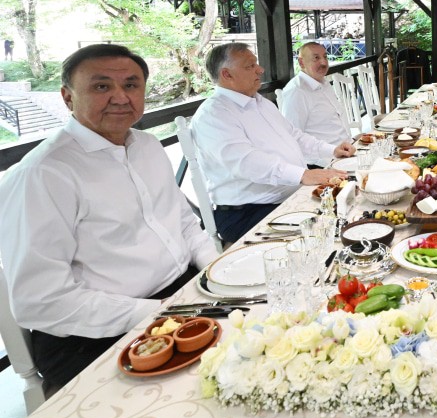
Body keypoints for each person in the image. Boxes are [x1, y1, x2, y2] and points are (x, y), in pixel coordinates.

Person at [0, 44, 218, 394]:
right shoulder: (43, 175)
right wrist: (159, 313)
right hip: (94, 333)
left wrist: (215, 273)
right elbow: (40, 301)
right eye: (101, 86)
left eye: (131, 85)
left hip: (181, 294)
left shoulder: (146, 146)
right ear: (67, 97)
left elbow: (184, 223)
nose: (120, 97)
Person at [191, 43, 353, 243]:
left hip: (288, 195)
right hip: (248, 211)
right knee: (333, 228)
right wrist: (303, 174)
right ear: (227, 74)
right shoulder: (214, 115)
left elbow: (295, 135)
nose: (260, 69)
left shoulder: (260, 103)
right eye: (250, 66)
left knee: (352, 201)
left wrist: (332, 150)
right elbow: (247, 163)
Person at [277, 42, 353, 165]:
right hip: (324, 162)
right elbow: (292, 137)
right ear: (301, 63)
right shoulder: (296, 91)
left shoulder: (323, 82)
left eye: (325, 57)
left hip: (346, 151)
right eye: (316, 58)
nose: (323, 62)